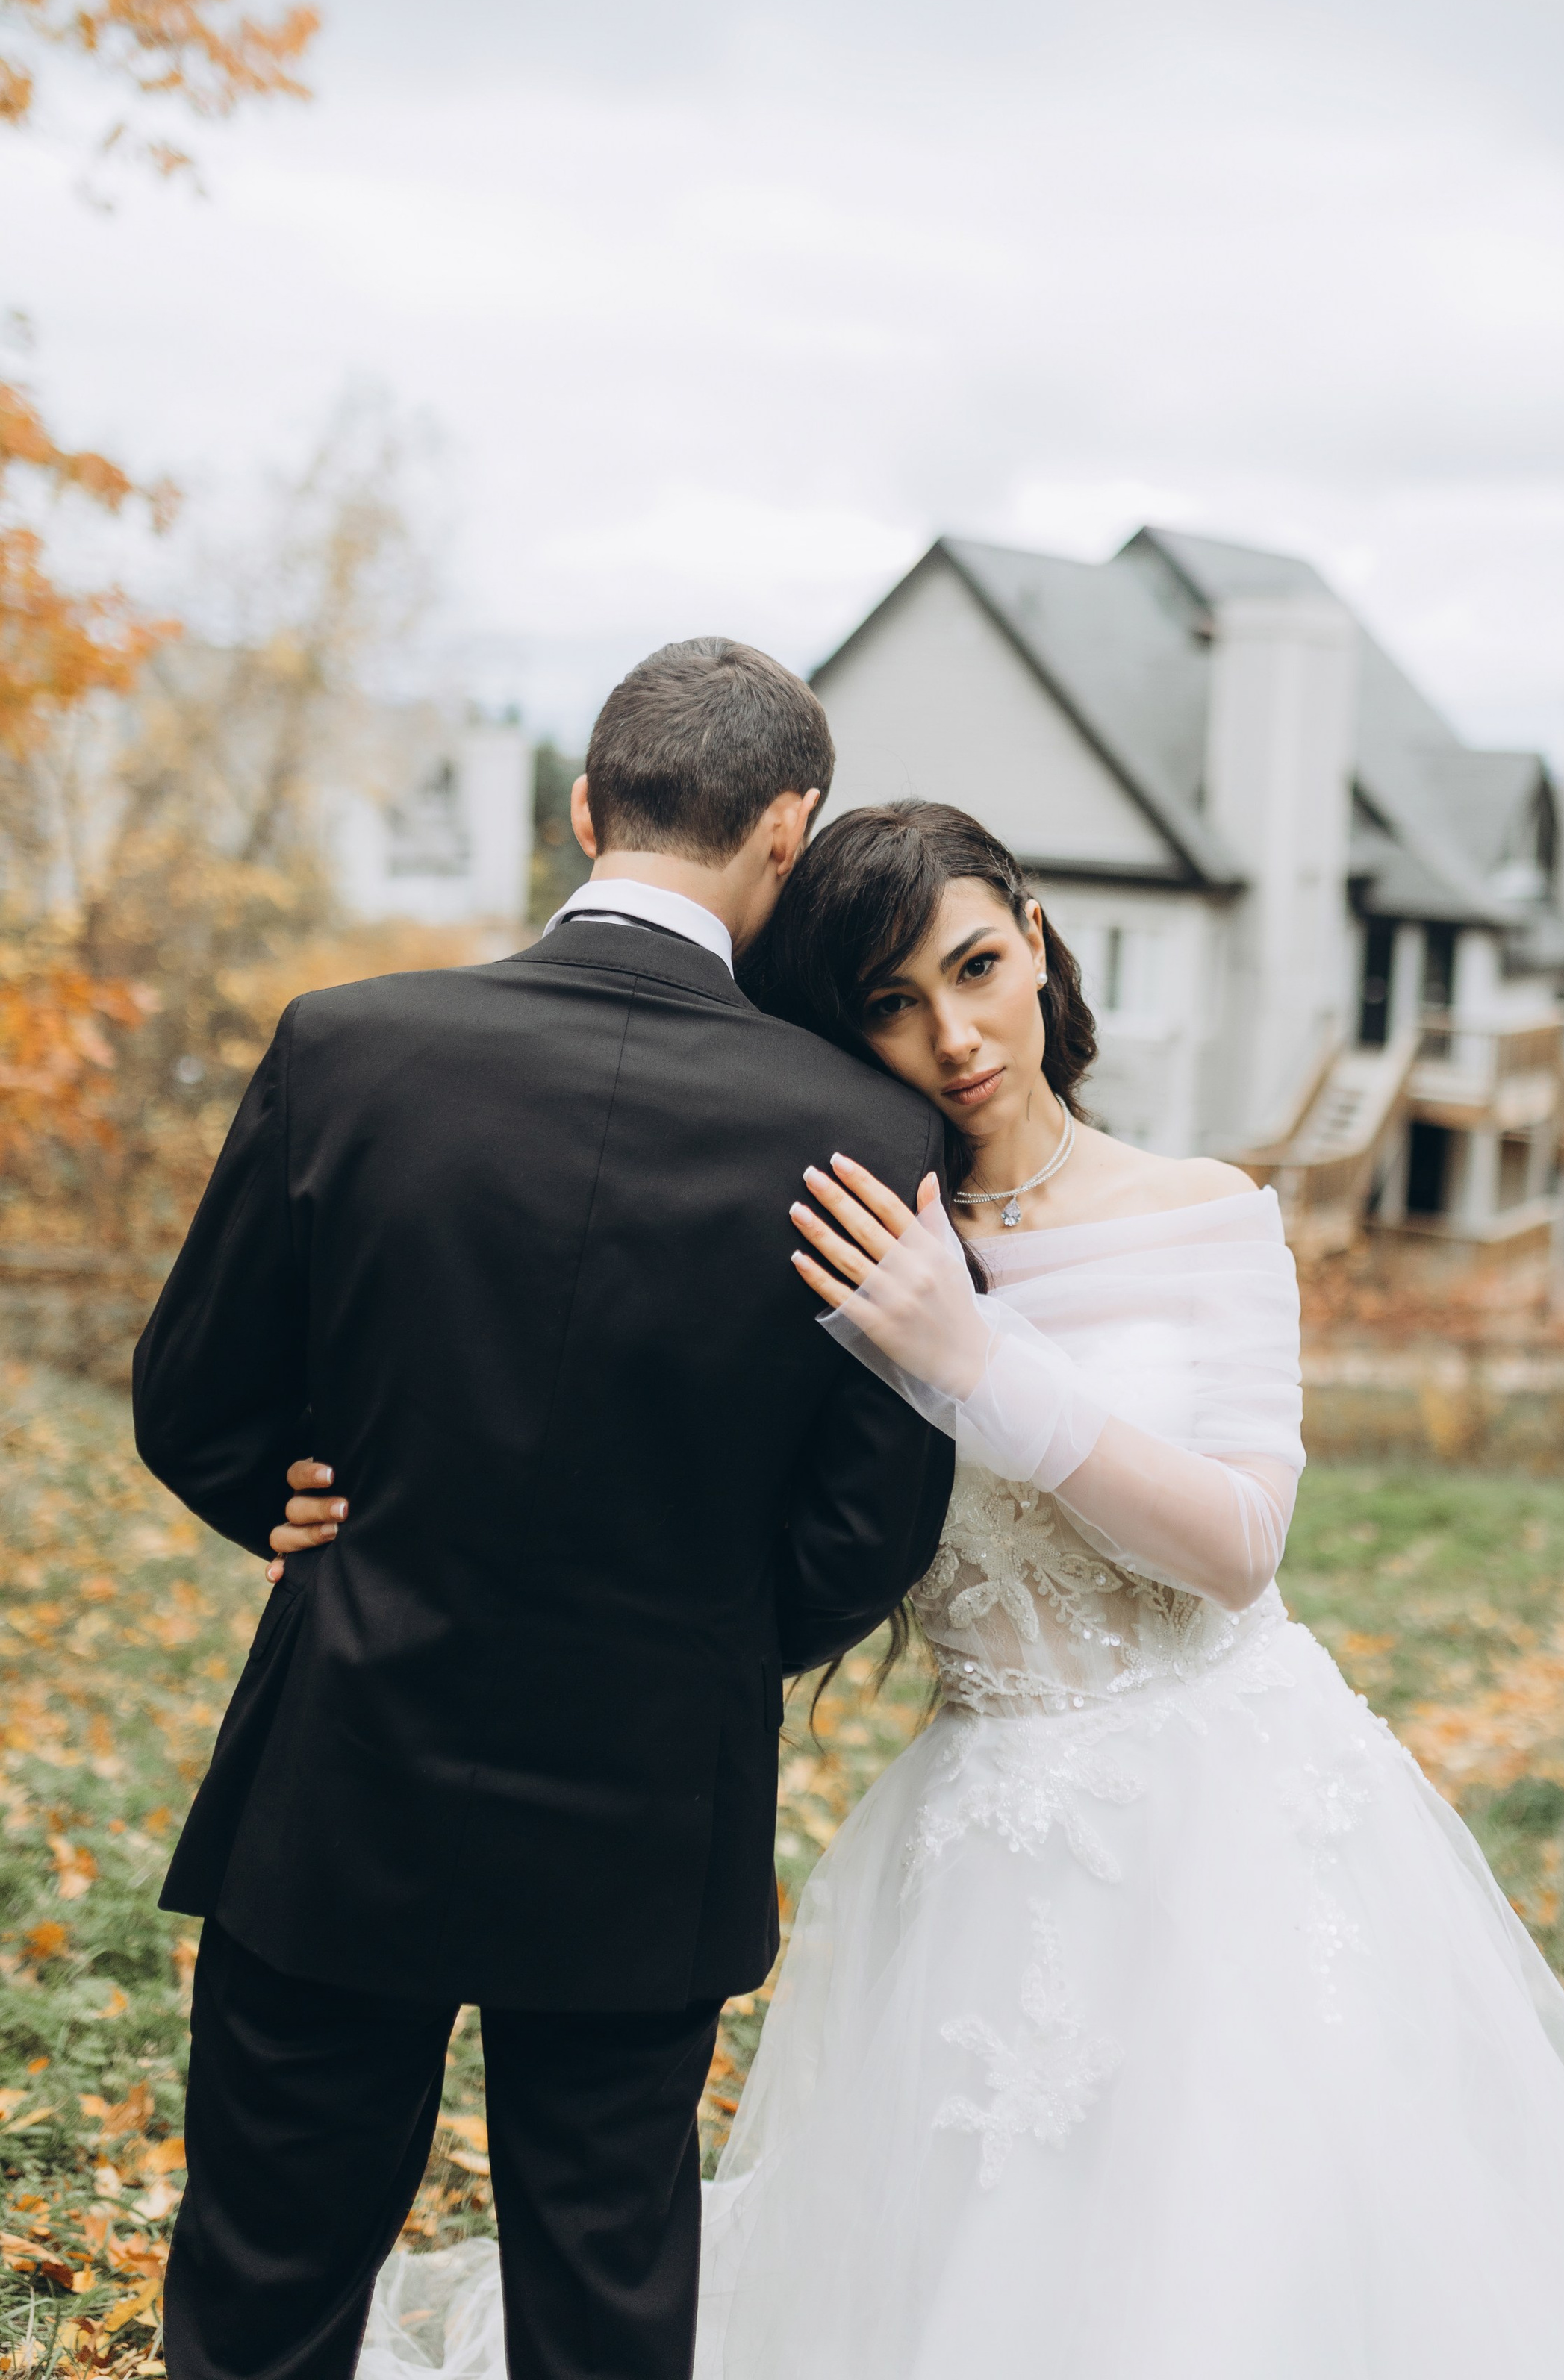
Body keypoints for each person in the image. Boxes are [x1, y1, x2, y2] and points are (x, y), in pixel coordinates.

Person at [323, 796, 1564, 2380]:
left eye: (974, 968)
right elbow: (655, 1465)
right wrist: (356, 1502)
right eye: (891, 1003)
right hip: (989, 1843)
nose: (953, 1036)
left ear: (1036, 945)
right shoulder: (850, 1242)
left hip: (1228, 1806)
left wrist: (977, 1361)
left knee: (1250, 2243)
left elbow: (1240, 1542)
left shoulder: (1204, 1212)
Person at [130, 643, 955, 2380]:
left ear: (585, 809)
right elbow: (868, 1527)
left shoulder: (349, 1049)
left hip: (343, 1765)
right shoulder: (867, 1136)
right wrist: (703, 1637)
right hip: (649, 1814)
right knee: (602, 2295)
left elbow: (193, 1395)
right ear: (787, 831)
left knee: (266, 2276)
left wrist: (293, 1502)